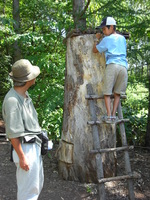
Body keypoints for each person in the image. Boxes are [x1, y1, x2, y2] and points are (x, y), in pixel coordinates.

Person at [2, 59, 44, 200]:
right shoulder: (12, 101)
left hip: (32, 147)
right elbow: (13, 133)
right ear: (27, 79)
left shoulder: (24, 95)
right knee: (28, 194)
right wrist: (22, 157)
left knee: (35, 187)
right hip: (25, 149)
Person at [93, 16, 128, 123]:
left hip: (113, 65)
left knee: (107, 92)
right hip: (123, 67)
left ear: (111, 27)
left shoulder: (106, 39)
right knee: (117, 93)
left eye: (104, 29)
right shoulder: (122, 38)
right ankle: (113, 115)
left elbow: (95, 50)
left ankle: (109, 116)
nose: (103, 31)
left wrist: (97, 39)